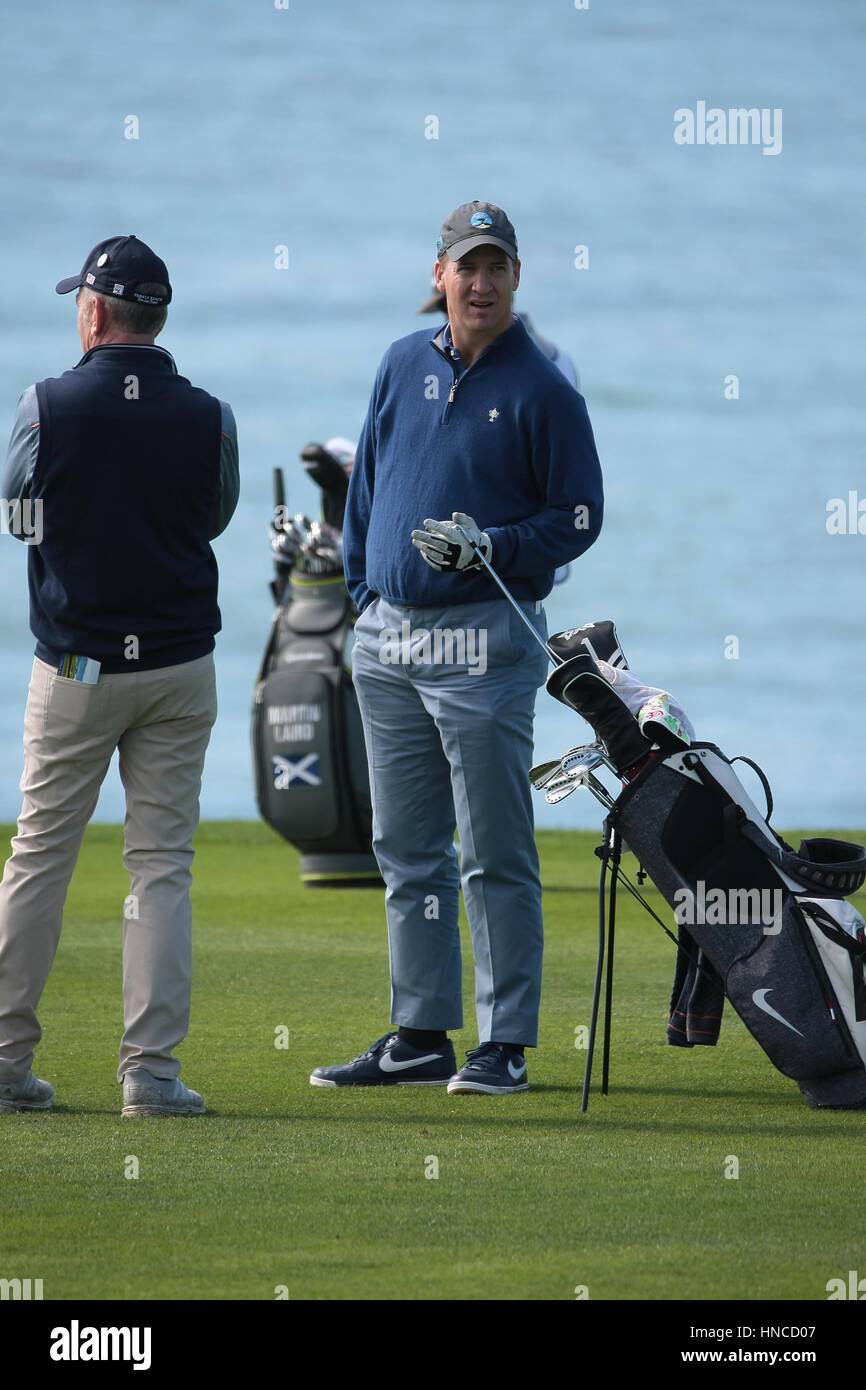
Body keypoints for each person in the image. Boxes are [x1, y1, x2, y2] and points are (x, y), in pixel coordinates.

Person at [310, 201, 603, 1095]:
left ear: (516, 278)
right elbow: (367, 493)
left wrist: (497, 545)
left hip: (484, 639)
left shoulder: (545, 388)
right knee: (405, 847)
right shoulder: (401, 363)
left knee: (493, 848)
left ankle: (504, 1042)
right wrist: (363, 593)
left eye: (496, 267)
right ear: (437, 273)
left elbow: (578, 517)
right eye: (465, 266)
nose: (480, 283)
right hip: (388, 635)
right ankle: (420, 1033)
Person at [0, 235, 239, 1117]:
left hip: (75, 664)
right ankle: (151, 1074)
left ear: (93, 311)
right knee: (161, 868)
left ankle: (4, 1059)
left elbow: (17, 516)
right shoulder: (210, 413)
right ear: (159, 317)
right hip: (179, 665)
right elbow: (213, 516)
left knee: (40, 858)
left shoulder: (45, 405)